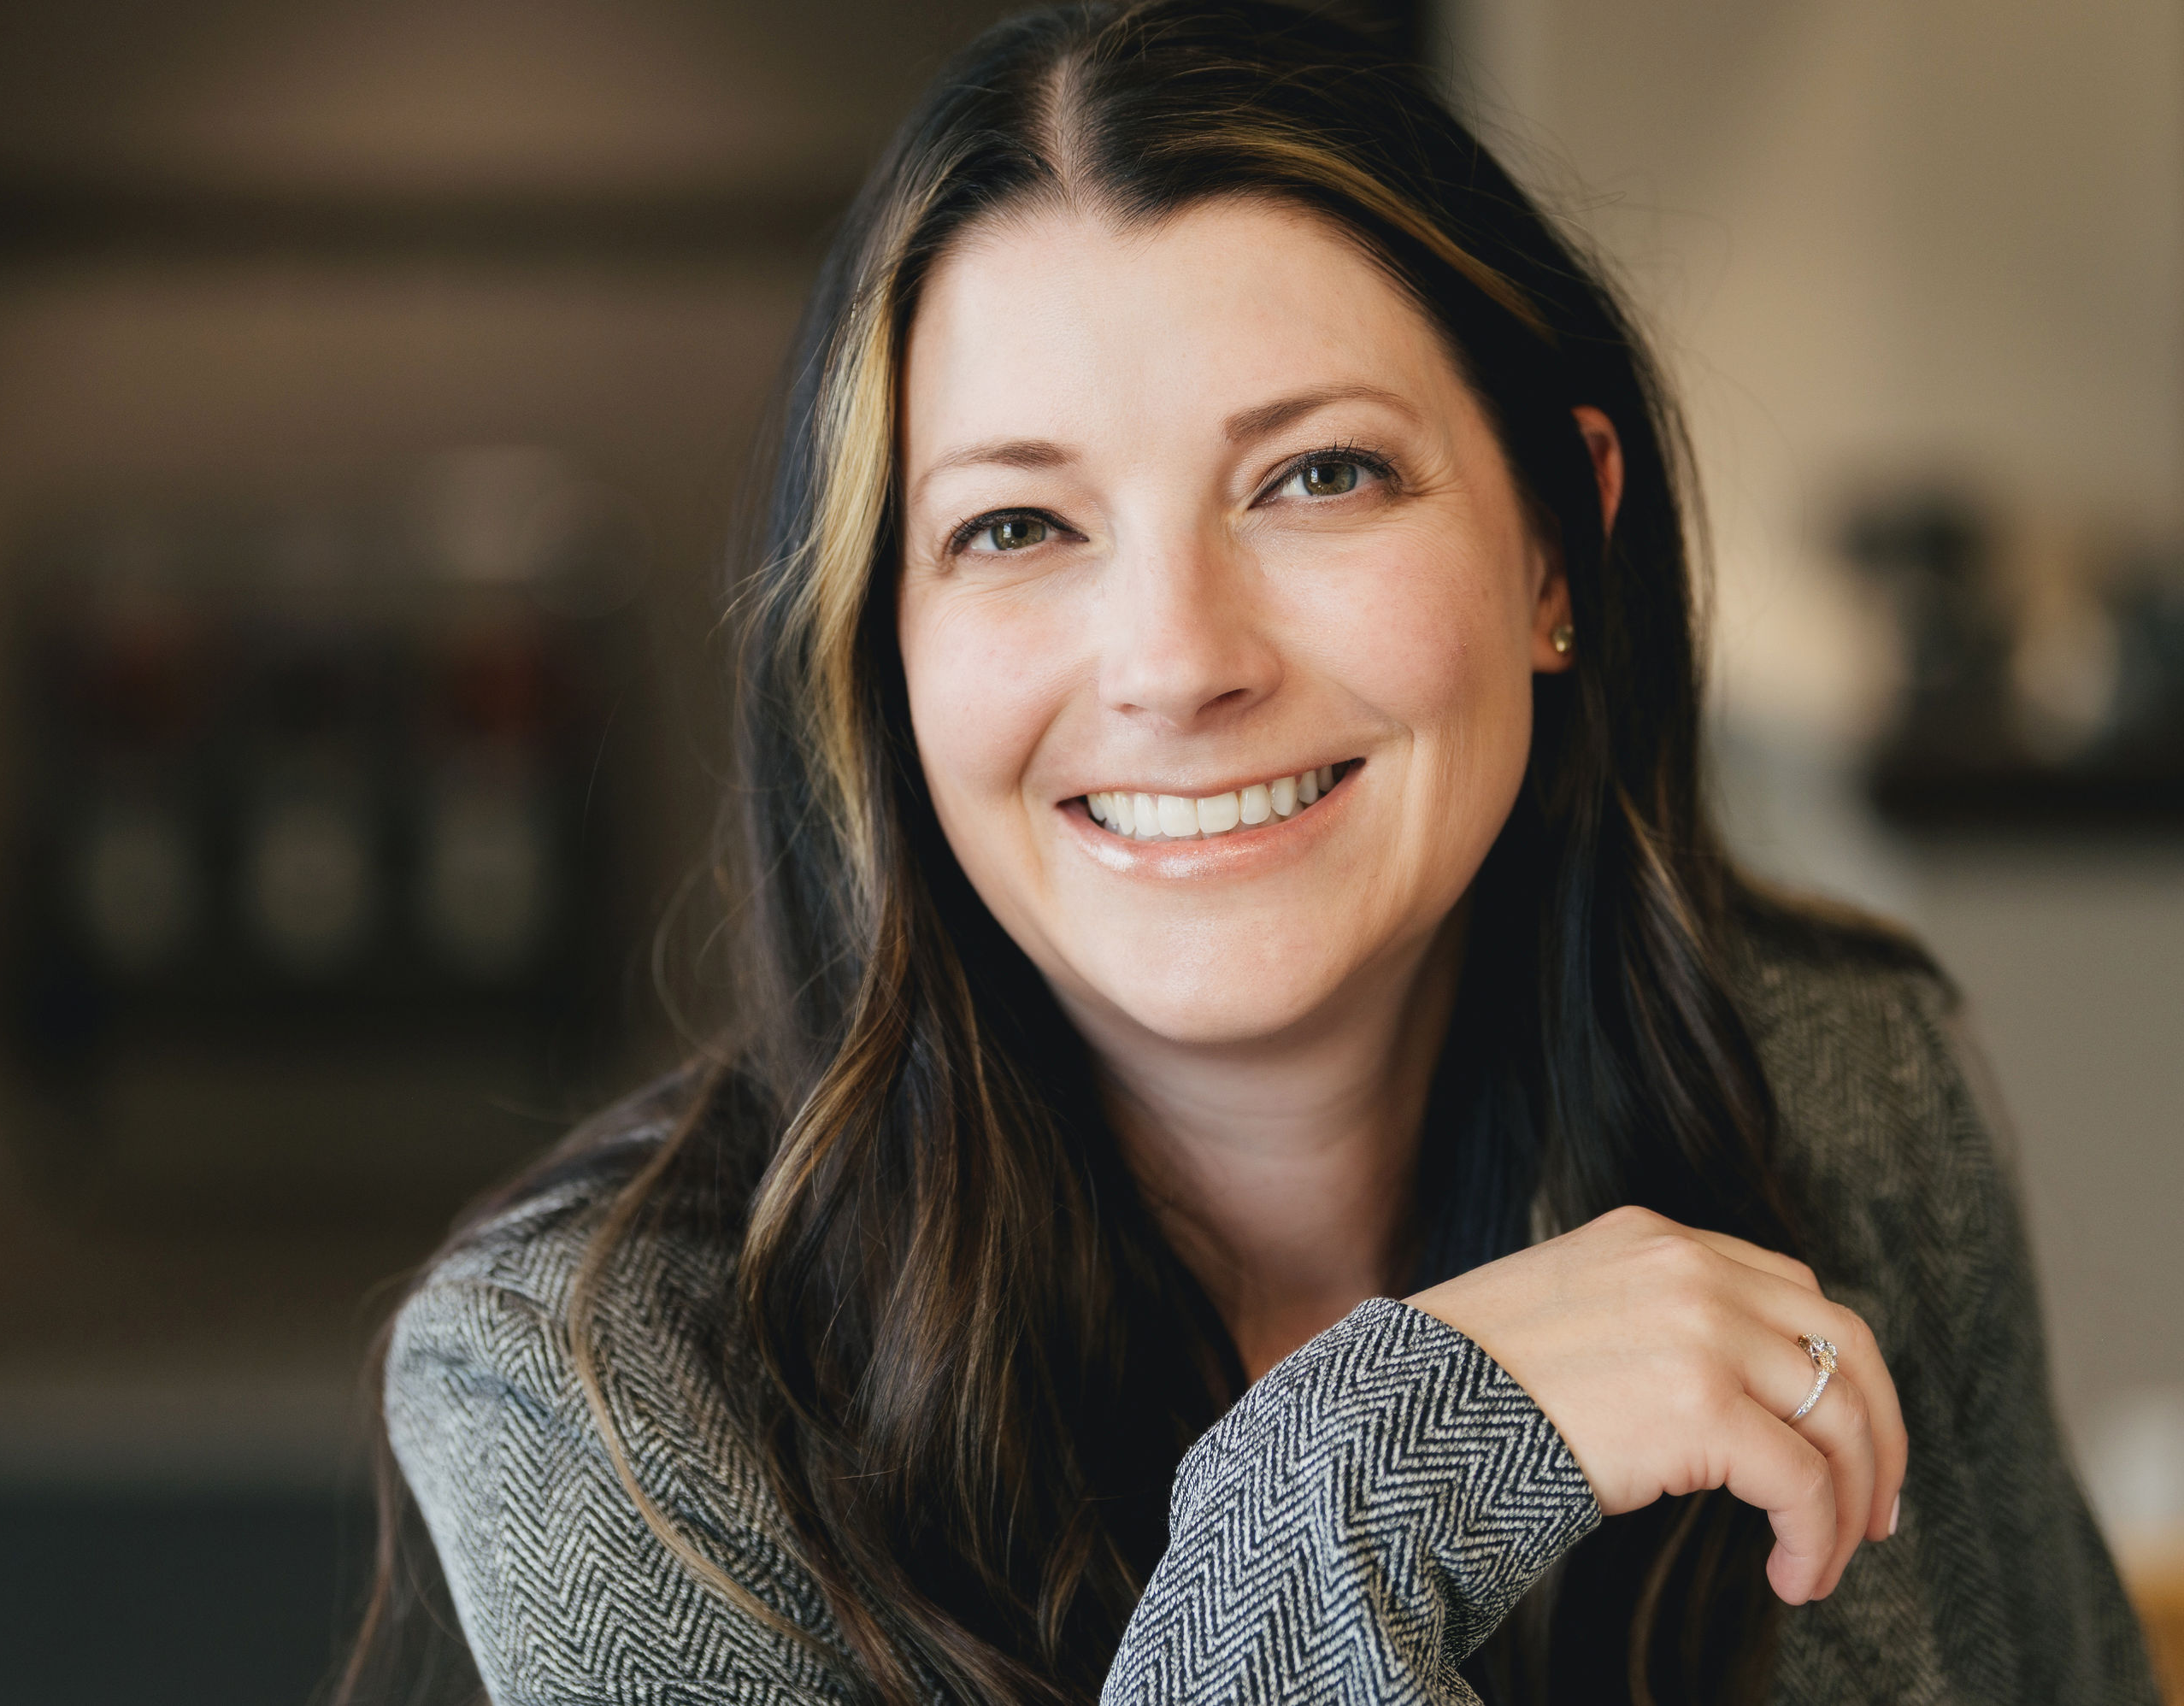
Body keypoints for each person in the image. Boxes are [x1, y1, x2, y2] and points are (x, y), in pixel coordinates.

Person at [355, 4, 2157, 1702]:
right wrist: (1363, 1484)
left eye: (1319, 477)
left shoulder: (1842, 1101)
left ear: (1558, 549)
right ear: (878, 654)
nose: (1179, 660)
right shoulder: (599, 1388)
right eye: (1014, 522)